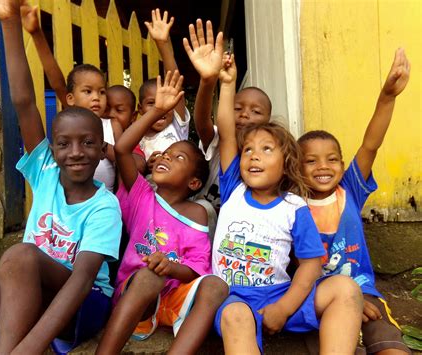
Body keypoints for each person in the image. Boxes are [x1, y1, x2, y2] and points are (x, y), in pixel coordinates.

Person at [0, 2, 122, 354]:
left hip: (85, 303)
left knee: (20, 256)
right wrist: (10, 23)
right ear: (51, 151)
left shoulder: (106, 206)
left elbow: (83, 280)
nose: (75, 152)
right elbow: (25, 103)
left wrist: (32, 346)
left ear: (103, 149)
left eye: (88, 143)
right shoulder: (44, 171)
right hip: (31, 292)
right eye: (64, 144)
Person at [212, 53, 363, 354]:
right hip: (233, 297)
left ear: (286, 164)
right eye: (249, 150)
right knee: (235, 315)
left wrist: (284, 307)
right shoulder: (233, 189)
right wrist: (227, 84)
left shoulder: (294, 206)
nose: (253, 155)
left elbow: (310, 265)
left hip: (280, 294)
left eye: (267, 149)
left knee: (346, 289)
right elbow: (227, 131)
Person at [95, 71, 229, 355]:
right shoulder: (142, 194)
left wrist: (171, 268)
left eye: (178, 157)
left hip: (172, 298)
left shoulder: (197, 214)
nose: (166, 156)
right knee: (148, 276)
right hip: (137, 297)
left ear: (194, 183)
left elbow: (196, 266)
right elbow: (121, 149)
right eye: (166, 153)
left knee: (216, 286)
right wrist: (156, 110)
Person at [298, 48, 411, 355]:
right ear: (296, 168)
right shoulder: (291, 205)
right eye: (311, 161)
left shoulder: (349, 188)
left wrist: (387, 96)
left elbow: (371, 144)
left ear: (343, 163)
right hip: (317, 300)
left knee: (391, 346)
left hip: (366, 292)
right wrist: (346, 305)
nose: (324, 166)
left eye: (332, 159)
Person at [20, 1, 122, 191]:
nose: (96, 97)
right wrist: (36, 34)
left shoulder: (112, 124)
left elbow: (123, 158)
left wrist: (103, 147)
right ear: (70, 99)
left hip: (105, 199)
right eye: (88, 91)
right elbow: (56, 79)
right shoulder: (73, 118)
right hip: (71, 198)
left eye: (101, 92)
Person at [183, 19, 272, 215]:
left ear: (268, 121)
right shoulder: (217, 139)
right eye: (237, 108)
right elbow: (202, 120)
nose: (245, 114)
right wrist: (208, 81)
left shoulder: (270, 156)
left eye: (256, 112)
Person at [138, 9, 190, 163]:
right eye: (151, 103)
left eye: (165, 101)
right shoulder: (137, 138)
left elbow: (174, 80)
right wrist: (147, 165)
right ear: (140, 109)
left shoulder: (176, 125)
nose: (160, 107)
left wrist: (162, 45)